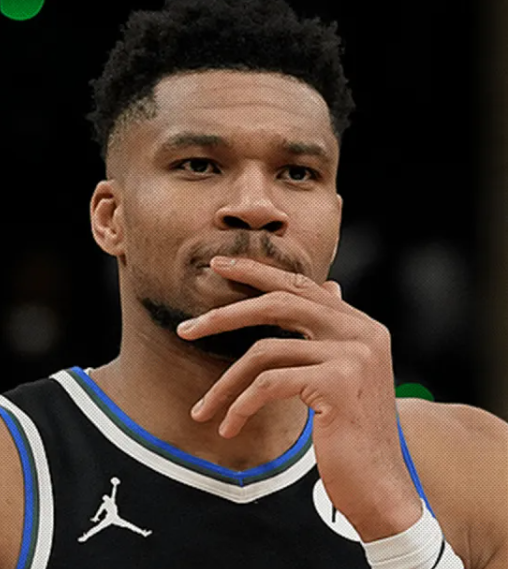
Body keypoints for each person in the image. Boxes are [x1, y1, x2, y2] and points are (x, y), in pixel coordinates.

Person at [0, 0, 506, 567]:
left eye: (297, 173)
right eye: (199, 164)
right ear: (110, 219)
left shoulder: (474, 465)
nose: (255, 206)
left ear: (336, 223)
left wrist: (398, 526)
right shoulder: (12, 473)